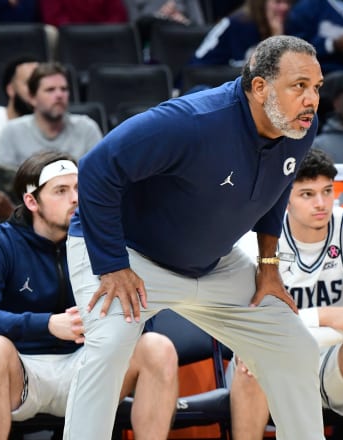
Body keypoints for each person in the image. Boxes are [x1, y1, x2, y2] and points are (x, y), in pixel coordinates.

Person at [63, 35, 326, 440]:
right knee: (111, 346)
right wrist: (112, 264)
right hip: (130, 256)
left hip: (214, 265)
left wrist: (268, 266)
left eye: (317, 88)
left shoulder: (296, 126)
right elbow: (97, 167)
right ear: (260, 88)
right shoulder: (192, 120)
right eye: (300, 86)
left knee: (294, 347)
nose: (311, 99)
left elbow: (276, 188)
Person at [0, 150, 179, 440]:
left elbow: (141, 316)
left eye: (78, 188)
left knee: (157, 347)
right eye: (61, 191)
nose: (75, 198)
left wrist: (110, 326)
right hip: (22, 370)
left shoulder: (106, 242)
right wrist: (48, 324)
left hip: (88, 368)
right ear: (31, 201)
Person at [230, 148, 343, 440]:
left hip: (328, 360)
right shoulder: (254, 237)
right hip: (267, 361)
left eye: (327, 191)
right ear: (284, 197)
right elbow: (249, 326)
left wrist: (281, 330)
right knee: (250, 359)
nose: (321, 203)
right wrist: (324, 315)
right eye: (307, 194)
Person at [0, 62, 102, 170]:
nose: (59, 95)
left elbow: (98, 176)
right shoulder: (12, 132)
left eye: (64, 89)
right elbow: (4, 183)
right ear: (32, 98)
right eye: (50, 90)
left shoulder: (87, 129)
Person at [192, 0, 293, 68]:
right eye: (278, 2)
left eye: (287, 1)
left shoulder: (281, 23)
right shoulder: (243, 23)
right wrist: (276, 38)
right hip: (204, 76)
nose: (284, 7)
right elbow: (245, 69)